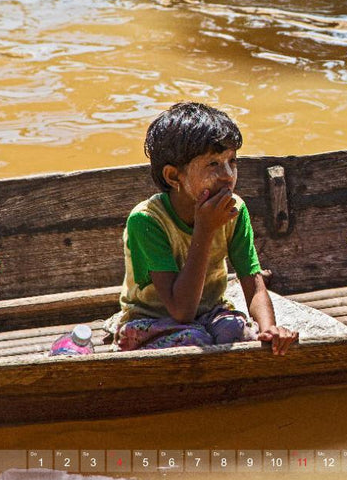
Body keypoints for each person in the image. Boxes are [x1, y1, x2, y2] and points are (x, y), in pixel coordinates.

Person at [112, 102, 297, 354]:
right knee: (191, 340)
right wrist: (205, 229)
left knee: (240, 333)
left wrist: (269, 329)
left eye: (232, 161)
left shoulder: (235, 210)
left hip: (210, 313)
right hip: (151, 321)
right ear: (174, 177)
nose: (228, 174)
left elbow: (252, 282)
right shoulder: (147, 220)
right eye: (213, 164)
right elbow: (181, 310)